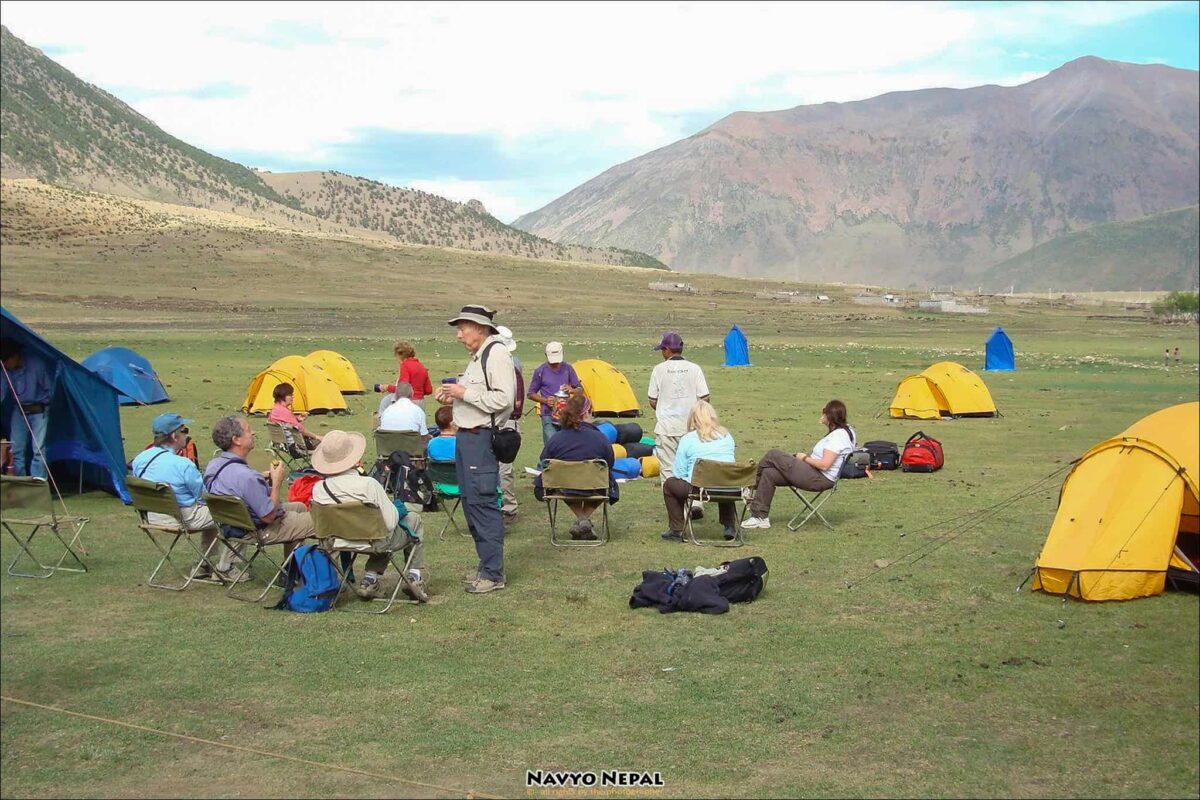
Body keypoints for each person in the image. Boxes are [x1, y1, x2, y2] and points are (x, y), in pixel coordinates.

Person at [434, 304, 516, 594]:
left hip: (481, 439)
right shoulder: (478, 357)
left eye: (462, 328)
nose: (458, 335)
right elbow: (479, 397)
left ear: (480, 328)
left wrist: (462, 392)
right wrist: (451, 398)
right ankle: (485, 566)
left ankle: (493, 573)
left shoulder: (497, 355)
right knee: (470, 503)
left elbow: (503, 400)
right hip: (467, 437)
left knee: (482, 504)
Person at [309, 430, 429, 602]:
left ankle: (369, 580)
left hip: (337, 541)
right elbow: (389, 523)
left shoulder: (319, 488)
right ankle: (414, 576)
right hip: (374, 541)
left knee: (375, 529)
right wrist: (399, 509)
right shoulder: (368, 485)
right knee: (411, 520)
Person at [130, 412, 243, 582]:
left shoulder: (140, 459)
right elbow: (205, 495)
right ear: (175, 436)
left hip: (152, 515)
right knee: (236, 512)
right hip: (181, 517)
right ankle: (227, 567)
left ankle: (205, 563)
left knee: (210, 513)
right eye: (185, 430)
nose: (187, 435)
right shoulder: (183, 464)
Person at [203, 415, 315, 559]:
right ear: (236, 440)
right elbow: (268, 516)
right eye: (249, 430)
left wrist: (260, 479)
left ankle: (291, 568)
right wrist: (276, 483)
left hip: (233, 524)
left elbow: (235, 486)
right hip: (258, 530)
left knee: (299, 506)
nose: (254, 433)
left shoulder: (214, 466)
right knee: (320, 521)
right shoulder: (247, 477)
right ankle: (324, 576)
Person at [742, 400, 856, 530]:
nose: (821, 414)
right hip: (813, 473)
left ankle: (748, 485)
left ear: (830, 416)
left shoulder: (838, 436)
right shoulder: (847, 430)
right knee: (769, 473)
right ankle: (760, 517)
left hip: (818, 478)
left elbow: (825, 465)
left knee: (773, 454)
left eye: (824, 412)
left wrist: (805, 458)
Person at [533, 392, 619, 540]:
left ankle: (581, 519)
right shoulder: (600, 438)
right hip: (594, 485)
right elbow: (609, 464)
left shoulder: (556, 438)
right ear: (586, 413)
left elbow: (544, 461)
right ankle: (583, 519)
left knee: (557, 480)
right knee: (607, 481)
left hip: (563, 485)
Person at [648, 331, 710, 518]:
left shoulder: (659, 369)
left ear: (667, 350)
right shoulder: (695, 368)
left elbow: (652, 399)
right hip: (691, 428)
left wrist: (664, 407)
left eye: (662, 350)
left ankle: (678, 510)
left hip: (667, 427)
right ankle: (696, 502)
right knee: (694, 465)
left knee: (669, 469)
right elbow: (705, 397)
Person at [661, 400, 737, 541]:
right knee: (722, 478)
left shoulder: (687, 439)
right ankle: (729, 525)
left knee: (669, 484)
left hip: (699, 488)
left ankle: (676, 529)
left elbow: (679, 472)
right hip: (728, 487)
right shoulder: (727, 437)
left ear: (693, 419)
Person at [0, 337, 54, 478]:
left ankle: (38, 484)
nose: (5, 364)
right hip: (19, 410)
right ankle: (20, 483)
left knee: (38, 450)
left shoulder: (37, 365)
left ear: (16, 356)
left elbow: (49, 389)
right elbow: (2, 391)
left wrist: (44, 405)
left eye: (6, 360)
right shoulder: (5, 370)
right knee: (16, 449)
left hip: (39, 410)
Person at [495, 325, 525, 526]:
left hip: (506, 423)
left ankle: (508, 508)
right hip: (498, 422)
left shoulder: (512, 369)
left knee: (504, 470)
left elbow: (515, 403)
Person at [527, 341, 582, 447]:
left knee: (567, 445)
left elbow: (580, 390)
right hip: (548, 413)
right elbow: (530, 393)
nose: (555, 364)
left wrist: (571, 389)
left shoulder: (568, 369)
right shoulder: (540, 371)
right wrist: (545, 400)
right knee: (551, 445)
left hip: (566, 414)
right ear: (546, 355)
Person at [267, 382, 323, 449]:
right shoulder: (284, 411)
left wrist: (297, 419)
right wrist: (317, 437)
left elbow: (285, 424)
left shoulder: (275, 409)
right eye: (290, 395)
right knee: (327, 441)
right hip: (295, 446)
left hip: (283, 444)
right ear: (283, 396)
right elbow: (301, 430)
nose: (293, 397)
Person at [389, 341, 433, 410]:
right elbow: (428, 390)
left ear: (400, 354)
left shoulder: (405, 366)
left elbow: (402, 389)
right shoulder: (422, 367)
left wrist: (387, 388)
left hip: (409, 403)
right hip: (420, 403)